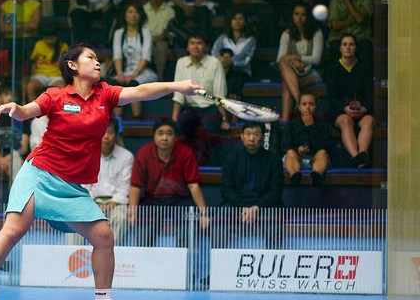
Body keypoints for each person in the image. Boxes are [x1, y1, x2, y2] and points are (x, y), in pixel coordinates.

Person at [0, 42, 202, 300]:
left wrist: (178, 87)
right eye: (91, 57)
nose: (98, 62)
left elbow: (141, 92)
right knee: (14, 229)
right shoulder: (56, 95)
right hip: (40, 173)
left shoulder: (106, 94)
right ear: (73, 65)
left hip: (72, 185)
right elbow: (27, 111)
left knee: (104, 237)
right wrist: (16, 108)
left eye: (98, 58)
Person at [129, 118, 208, 248]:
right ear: (154, 136)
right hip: (153, 200)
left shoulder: (186, 153)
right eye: (160, 133)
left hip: (181, 200)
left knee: (189, 220)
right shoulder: (144, 153)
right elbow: (135, 186)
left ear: (175, 137)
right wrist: (132, 213)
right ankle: (144, 255)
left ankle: (183, 256)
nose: (164, 138)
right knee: (143, 222)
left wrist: (203, 213)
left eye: (169, 134)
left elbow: (193, 185)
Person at [214, 121, 284, 250]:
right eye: (248, 134)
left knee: (275, 218)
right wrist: (244, 207)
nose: (252, 138)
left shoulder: (274, 159)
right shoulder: (232, 158)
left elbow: (276, 191)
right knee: (221, 217)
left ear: (262, 137)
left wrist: (256, 207)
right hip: (238, 203)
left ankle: (272, 258)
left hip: (264, 204)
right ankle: (219, 258)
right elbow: (226, 189)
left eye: (256, 134)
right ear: (242, 137)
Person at [67, 118, 133, 246]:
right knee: (74, 215)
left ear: (116, 135)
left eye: (110, 132)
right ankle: (74, 253)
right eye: (103, 132)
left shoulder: (126, 156)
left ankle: (109, 251)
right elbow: (84, 184)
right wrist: (93, 203)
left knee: (120, 217)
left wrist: (113, 203)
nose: (106, 136)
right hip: (91, 200)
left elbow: (125, 187)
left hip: (117, 203)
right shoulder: (87, 153)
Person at [325, 34, 374, 168]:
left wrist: (363, 108)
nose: (348, 47)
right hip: (340, 109)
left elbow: (369, 96)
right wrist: (345, 108)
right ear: (340, 48)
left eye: (351, 44)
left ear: (356, 48)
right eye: (345, 44)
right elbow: (332, 98)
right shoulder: (332, 69)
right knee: (346, 120)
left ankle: (362, 154)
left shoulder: (364, 68)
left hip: (361, 109)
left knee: (369, 121)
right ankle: (357, 157)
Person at [108, 2, 158, 118]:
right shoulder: (119, 33)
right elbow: (117, 56)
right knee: (115, 85)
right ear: (125, 15)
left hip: (144, 72)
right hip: (124, 71)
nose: (133, 15)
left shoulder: (145, 33)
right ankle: (118, 120)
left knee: (133, 84)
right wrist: (120, 74)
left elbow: (145, 57)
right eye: (130, 12)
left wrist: (133, 75)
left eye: (136, 12)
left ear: (141, 15)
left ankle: (136, 118)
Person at [171, 35, 229, 134]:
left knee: (209, 130)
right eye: (192, 43)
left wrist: (224, 119)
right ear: (187, 47)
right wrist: (174, 119)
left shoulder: (214, 63)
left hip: (210, 108)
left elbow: (219, 95)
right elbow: (178, 95)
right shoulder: (181, 63)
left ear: (205, 47)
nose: (195, 46)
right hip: (190, 109)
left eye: (199, 43)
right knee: (181, 129)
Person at [276, 3, 324, 122]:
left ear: (308, 17)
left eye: (303, 15)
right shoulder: (286, 34)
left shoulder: (317, 32)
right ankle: (299, 100)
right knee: (283, 65)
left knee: (287, 84)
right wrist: (294, 63)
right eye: (296, 14)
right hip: (293, 72)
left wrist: (296, 57)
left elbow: (316, 59)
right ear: (292, 16)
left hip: (312, 72)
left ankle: (285, 120)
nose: (299, 17)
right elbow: (280, 59)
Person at [282, 92, 330, 186]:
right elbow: (285, 146)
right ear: (299, 107)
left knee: (323, 153)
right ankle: (294, 176)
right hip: (296, 158)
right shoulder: (291, 124)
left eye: (311, 104)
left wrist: (310, 126)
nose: (308, 107)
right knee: (290, 153)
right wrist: (298, 149)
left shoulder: (323, 124)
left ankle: (317, 175)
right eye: (304, 104)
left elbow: (324, 146)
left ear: (316, 107)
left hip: (315, 159)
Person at [328, 0, 374, 66]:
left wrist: (348, 2)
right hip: (339, 36)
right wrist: (356, 19)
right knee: (335, 45)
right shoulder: (335, 1)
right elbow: (335, 25)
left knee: (365, 45)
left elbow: (360, 19)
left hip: (360, 36)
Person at [211, 11, 257, 101]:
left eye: (240, 19)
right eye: (234, 19)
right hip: (223, 69)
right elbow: (215, 53)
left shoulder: (250, 40)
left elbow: (244, 59)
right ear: (230, 22)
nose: (237, 21)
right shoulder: (223, 38)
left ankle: (232, 106)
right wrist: (222, 60)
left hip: (241, 71)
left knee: (233, 80)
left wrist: (230, 61)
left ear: (245, 22)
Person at [26, 24, 68, 102]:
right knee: (30, 86)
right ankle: (33, 109)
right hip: (40, 75)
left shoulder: (63, 46)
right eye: (46, 39)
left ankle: (60, 109)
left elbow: (65, 65)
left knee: (63, 89)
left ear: (56, 37)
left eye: (51, 39)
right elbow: (34, 62)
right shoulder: (39, 44)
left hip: (56, 76)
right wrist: (32, 76)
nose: (49, 41)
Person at [143, 0, 175, 81]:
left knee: (161, 47)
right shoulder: (142, 9)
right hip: (143, 42)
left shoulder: (169, 11)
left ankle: (159, 79)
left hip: (161, 41)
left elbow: (166, 33)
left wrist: (153, 39)